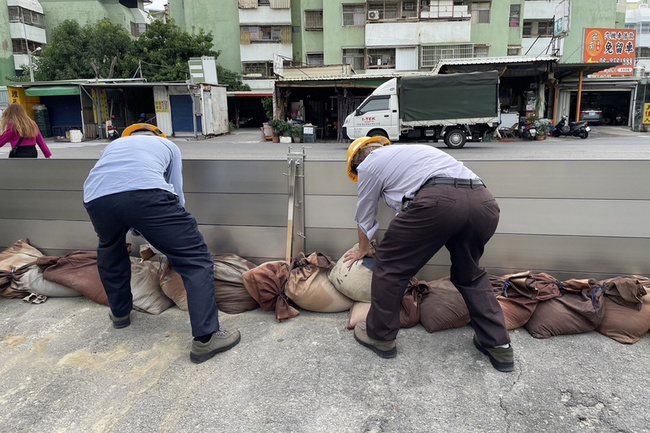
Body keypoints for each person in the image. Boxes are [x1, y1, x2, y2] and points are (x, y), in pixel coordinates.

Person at [344, 136, 513, 372]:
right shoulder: (413, 155)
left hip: (438, 202)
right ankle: (499, 345)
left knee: (390, 268)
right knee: (470, 274)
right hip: (483, 203)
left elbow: (365, 214)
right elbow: (409, 210)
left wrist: (364, 249)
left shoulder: (369, 164)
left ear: (357, 160)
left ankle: (380, 336)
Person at [83, 123, 240, 364]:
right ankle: (207, 337)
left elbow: (118, 189)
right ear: (157, 135)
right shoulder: (168, 145)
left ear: (128, 135)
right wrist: (176, 232)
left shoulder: (114, 145)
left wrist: (141, 225)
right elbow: (175, 190)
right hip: (147, 195)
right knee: (196, 260)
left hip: (95, 197)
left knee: (110, 249)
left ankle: (119, 313)